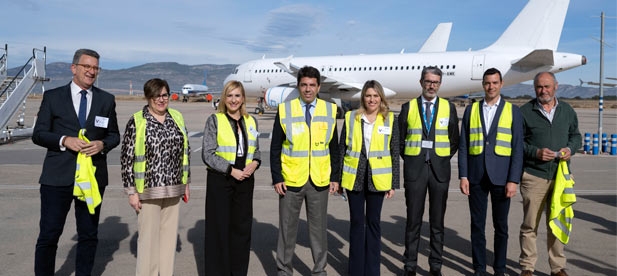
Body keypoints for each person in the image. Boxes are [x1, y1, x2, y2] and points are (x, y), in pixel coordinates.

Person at [32, 48, 120, 276]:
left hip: (92, 178)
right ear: (74, 68)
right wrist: (64, 140)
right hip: (57, 177)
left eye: (95, 68)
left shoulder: (106, 100)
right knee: (49, 234)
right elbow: (39, 134)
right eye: (87, 66)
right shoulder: (53, 97)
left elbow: (114, 135)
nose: (91, 72)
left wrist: (102, 145)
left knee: (89, 235)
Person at [270, 66, 340, 276]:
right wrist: (277, 177)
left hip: (319, 180)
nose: (308, 89)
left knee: (319, 231)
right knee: (287, 230)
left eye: (312, 85)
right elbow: (275, 147)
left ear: (318, 87)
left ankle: (320, 271)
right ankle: (284, 270)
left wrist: (335, 177)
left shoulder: (329, 110)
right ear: (298, 86)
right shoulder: (285, 110)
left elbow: (333, 148)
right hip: (291, 180)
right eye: (304, 85)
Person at [121, 78, 190, 276]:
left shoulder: (176, 116)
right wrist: (131, 192)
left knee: (169, 242)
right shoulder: (137, 120)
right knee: (148, 242)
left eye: (165, 95)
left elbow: (186, 151)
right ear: (148, 97)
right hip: (147, 190)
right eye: (156, 96)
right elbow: (127, 159)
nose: (161, 99)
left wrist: (185, 183)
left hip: (174, 188)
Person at [458, 68, 524, 276]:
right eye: (487, 83)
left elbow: (517, 148)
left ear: (501, 84)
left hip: (501, 178)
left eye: (495, 82)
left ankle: (499, 269)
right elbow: (463, 146)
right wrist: (463, 175)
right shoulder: (471, 110)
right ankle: (479, 268)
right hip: (476, 176)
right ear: (483, 84)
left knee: (501, 227)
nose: (491, 86)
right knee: (477, 225)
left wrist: (513, 180)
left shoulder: (513, 111)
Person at [518, 72, 582, 276]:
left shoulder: (567, 110)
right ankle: (527, 267)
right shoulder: (525, 112)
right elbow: (517, 144)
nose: (543, 91)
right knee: (530, 225)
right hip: (533, 175)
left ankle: (557, 267)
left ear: (556, 86)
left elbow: (576, 136)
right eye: (539, 87)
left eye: (546, 86)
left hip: (560, 177)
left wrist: (570, 148)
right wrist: (535, 152)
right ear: (534, 88)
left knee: (557, 223)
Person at [399, 66, 459, 276]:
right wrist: (414, 158)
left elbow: (454, 140)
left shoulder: (448, 107)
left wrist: (439, 158)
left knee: (437, 222)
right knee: (413, 221)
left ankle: (435, 266)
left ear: (440, 84)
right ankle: (410, 265)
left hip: (439, 172)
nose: (431, 85)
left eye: (435, 82)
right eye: (428, 81)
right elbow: (400, 139)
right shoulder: (408, 107)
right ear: (421, 82)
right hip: (415, 171)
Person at [338, 80, 399, 275]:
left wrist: (393, 183)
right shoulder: (350, 118)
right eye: (368, 95)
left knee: (373, 223)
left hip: (378, 180)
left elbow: (394, 152)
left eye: (375, 95)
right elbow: (342, 150)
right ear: (363, 97)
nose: (372, 99)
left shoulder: (390, 119)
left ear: (381, 97)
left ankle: (372, 270)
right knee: (356, 223)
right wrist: (339, 180)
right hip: (354, 178)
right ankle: (355, 270)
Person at [202, 80, 261, 275]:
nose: (233, 100)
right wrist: (231, 170)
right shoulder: (215, 120)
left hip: (245, 181)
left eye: (237, 96)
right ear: (224, 98)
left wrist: (254, 164)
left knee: (242, 231)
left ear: (243, 98)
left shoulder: (251, 121)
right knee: (219, 231)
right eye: (229, 96)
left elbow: (256, 151)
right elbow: (207, 154)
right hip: (222, 180)